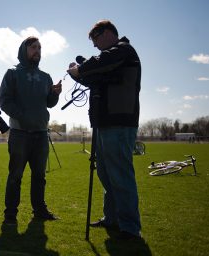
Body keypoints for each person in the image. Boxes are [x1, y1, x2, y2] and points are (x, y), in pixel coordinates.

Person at [68, 20, 142, 240]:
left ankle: (129, 227)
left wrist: (78, 69)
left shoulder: (123, 50)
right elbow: (95, 78)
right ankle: (112, 218)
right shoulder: (112, 56)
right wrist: (80, 74)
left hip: (119, 122)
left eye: (95, 39)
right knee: (106, 174)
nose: (94, 46)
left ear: (108, 33)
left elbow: (99, 63)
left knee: (120, 174)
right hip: (103, 123)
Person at [0, 36, 62, 224]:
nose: (37, 51)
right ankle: (10, 214)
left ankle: (39, 210)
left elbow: (49, 104)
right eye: (33, 47)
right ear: (24, 50)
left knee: (39, 177)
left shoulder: (46, 77)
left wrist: (55, 94)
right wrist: (24, 116)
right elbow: (4, 101)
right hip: (19, 134)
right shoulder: (12, 73)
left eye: (40, 48)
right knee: (15, 176)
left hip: (41, 134)